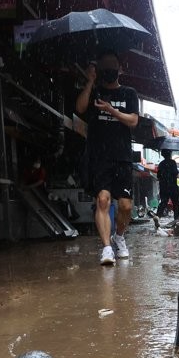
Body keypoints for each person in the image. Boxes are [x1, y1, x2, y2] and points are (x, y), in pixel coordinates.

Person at [76, 50, 140, 266]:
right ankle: (106, 248)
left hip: (122, 157)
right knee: (102, 200)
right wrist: (90, 82)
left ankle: (119, 237)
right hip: (99, 157)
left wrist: (111, 110)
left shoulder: (129, 94)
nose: (110, 69)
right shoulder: (95, 92)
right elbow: (80, 108)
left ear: (120, 68)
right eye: (105, 66)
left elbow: (133, 121)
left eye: (113, 65)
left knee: (125, 206)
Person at [156, 149, 179, 218]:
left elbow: (158, 176)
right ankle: (176, 219)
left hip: (163, 187)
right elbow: (176, 173)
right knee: (175, 203)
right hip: (172, 186)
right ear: (170, 154)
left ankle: (158, 217)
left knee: (163, 202)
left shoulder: (161, 164)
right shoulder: (173, 162)